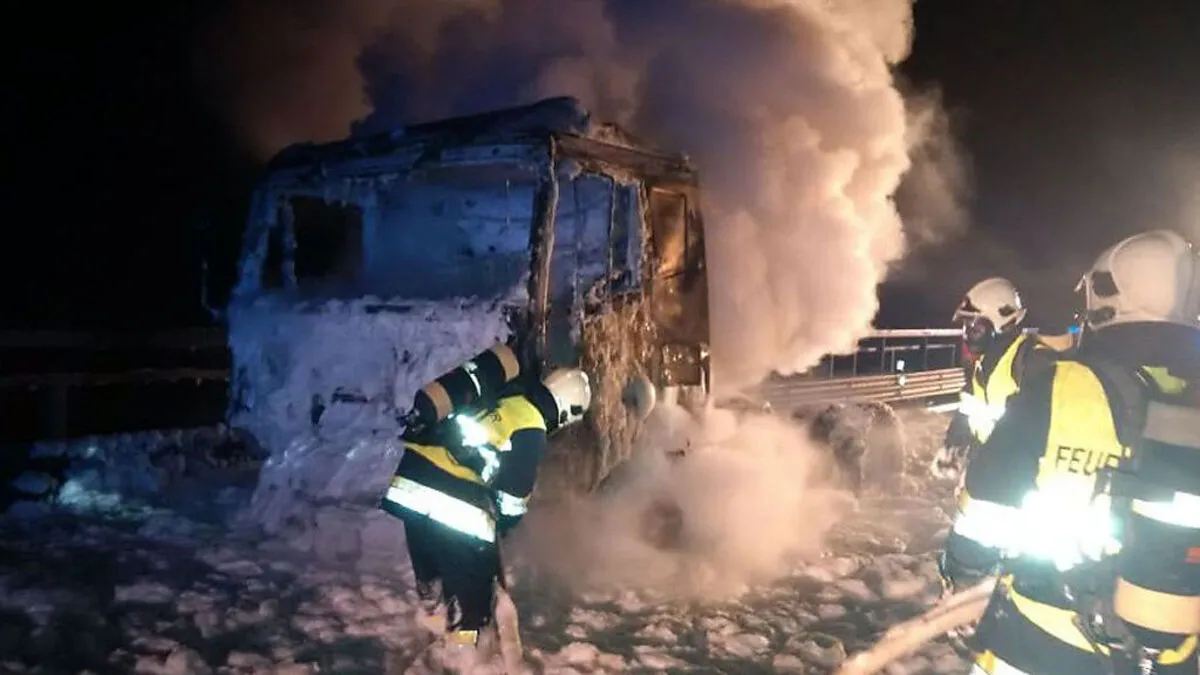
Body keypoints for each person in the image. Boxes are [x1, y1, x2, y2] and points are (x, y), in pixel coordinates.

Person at [939, 229, 1200, 675]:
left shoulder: (1059, 384)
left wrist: (961, 569)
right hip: (1170, 657)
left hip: (1044, 639)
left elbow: (986, 505)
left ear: (1107, 299)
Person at [380, 366, 593, 661]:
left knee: (435, 582)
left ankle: (430, 626)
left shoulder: (508, 398)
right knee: (473, 600)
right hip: (454, 502)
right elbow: (514, 496)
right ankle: (462, 656)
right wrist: (503, 523)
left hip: (411, 484)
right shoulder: (532, 425)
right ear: (567, 410)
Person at [932, 277, 1067, 479]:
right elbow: (968, 411)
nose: (968, 335)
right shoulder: (981, 366)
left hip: (1025, 476)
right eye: (966, 328)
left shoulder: (1032, 361)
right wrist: (952, 446)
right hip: (989, 470)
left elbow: (1047, 426)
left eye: (976, 328)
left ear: (1003, 325)